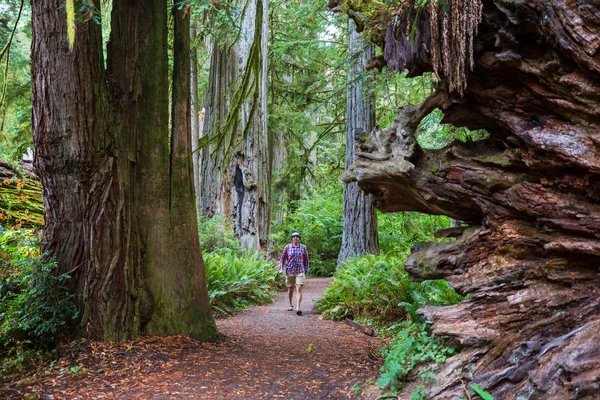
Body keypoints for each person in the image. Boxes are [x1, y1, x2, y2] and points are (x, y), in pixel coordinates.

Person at [278, 232, 309, 316]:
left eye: (297, 237)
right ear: (292, 238)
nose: (295, 238)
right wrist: (281, 269)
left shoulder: (303, 247)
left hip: (300, 270)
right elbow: (282, 259)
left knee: (299, 288)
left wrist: (306, 271)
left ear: (299, 238)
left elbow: (306, 260)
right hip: (290, 270)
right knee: (290, 288)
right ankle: (290, 305)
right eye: (294, 237)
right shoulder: (287, 247)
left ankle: (298, 308)